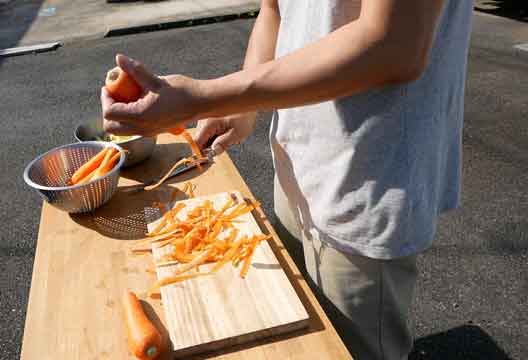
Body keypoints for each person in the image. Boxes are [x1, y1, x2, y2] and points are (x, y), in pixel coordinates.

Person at [100, 0, 474, 358]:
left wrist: (203, 98)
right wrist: (240, 106)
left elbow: (394, 44)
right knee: (303, 343)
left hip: (368, 183)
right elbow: (275, 9)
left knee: (355, 348)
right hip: (297, 166)